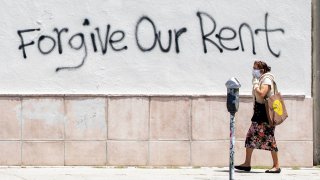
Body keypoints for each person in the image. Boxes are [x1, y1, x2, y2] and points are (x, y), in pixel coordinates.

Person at [235, 60, 281, 173]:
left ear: (262, 70)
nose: (253, 70)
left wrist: (255, 83)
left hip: (265, 115)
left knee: (270, 139)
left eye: (255, 68)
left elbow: (261, 94)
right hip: (259, 114)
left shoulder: (266, 79)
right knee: (250, 137)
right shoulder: (262, 79)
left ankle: (276, 165)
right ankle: (247, 163)